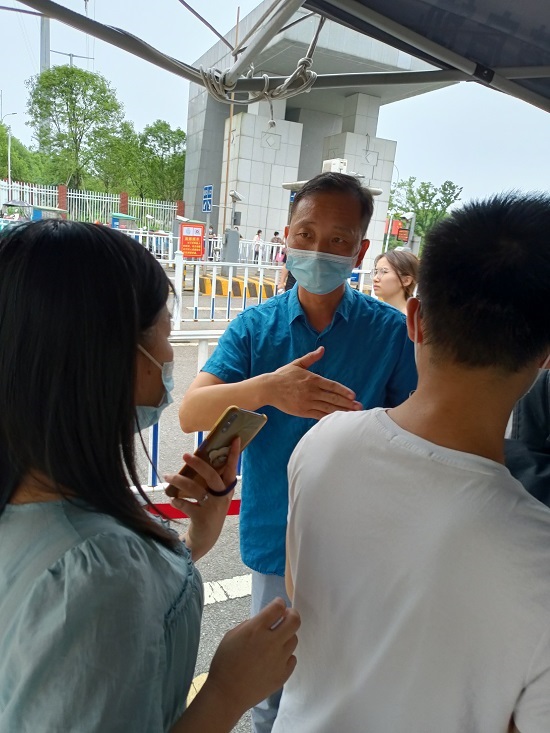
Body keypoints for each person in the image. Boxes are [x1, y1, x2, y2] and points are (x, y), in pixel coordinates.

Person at [0, 220, 300, 733]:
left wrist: (195, 539)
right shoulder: (96, 577)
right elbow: (103, 596)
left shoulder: (45, 517)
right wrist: (228, 692)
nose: (169, 355)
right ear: (114, 353)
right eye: (164, 331)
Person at [274, 192, 550, 733]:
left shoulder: (324, 444)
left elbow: (298, 588)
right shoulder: (538, 555)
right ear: (544, 354)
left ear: (416, 319)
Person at [179, 172, 418, 733]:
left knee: (346, 678)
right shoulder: (254, 328)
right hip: (274, 533)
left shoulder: (390, 333)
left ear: (360, 249)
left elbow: (416, 430)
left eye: (338, 240)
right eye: (306, 234)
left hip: (362, 540)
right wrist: (268, 389)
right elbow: (191, 413)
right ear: (286, 236)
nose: (318, 250)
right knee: (269, 691)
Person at [371, 247, 419, 313]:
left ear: (406, 280)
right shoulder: (374, 313)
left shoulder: (409, 318)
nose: (375, 279)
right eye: (376, 272)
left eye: (384, 272)